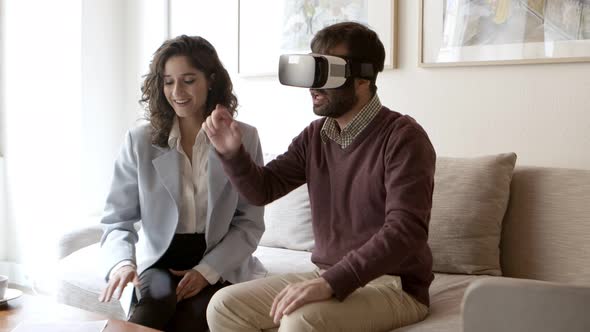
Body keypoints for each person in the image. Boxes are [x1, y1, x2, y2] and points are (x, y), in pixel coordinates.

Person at [203, 22, 436, 331]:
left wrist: (331, 282)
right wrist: (233, 154)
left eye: (325, 73)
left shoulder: (403, 137)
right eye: (312, 70)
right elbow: (263, 190)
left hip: (393, 286)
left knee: (301, 322)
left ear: (363, 78)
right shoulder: (316, 136)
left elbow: (406, 232)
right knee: (224, 306)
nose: (313, 86)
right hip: (327, 275)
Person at [98, 35, 266, 332]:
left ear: (211, 80)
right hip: (161, 261)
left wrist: (205, 271)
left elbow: (249, 223)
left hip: (218, 260)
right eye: (168, 82)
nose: (177, 92)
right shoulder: (140, 141)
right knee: (155, 304)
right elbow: (117, 220)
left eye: (188, 80)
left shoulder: (244, 138)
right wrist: (123, 263)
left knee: (197, 315)